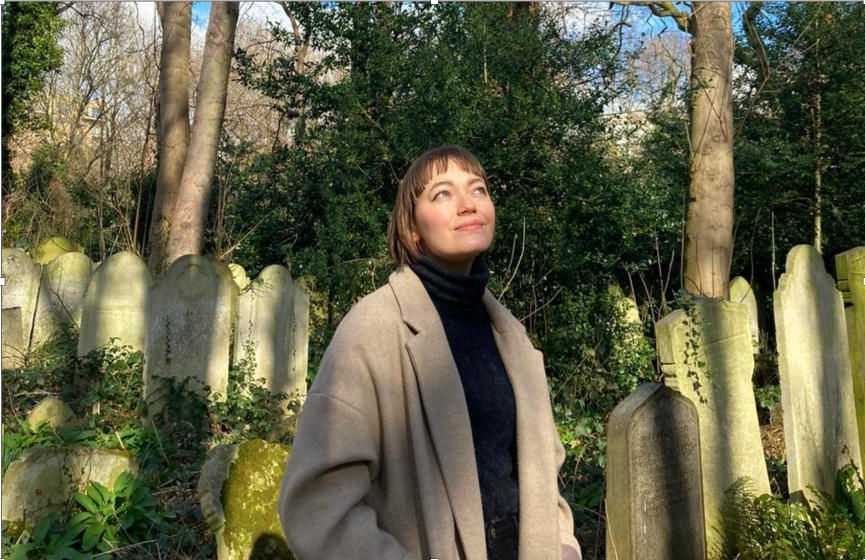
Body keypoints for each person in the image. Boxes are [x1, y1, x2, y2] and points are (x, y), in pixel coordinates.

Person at [278, 145, 582, 560]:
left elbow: (544, 468)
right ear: (412, 227)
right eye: (442, 194)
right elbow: (317, 507)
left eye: (478, 189)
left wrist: (563, 542)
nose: (467, 204)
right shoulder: (372, 330)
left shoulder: (511, 334)